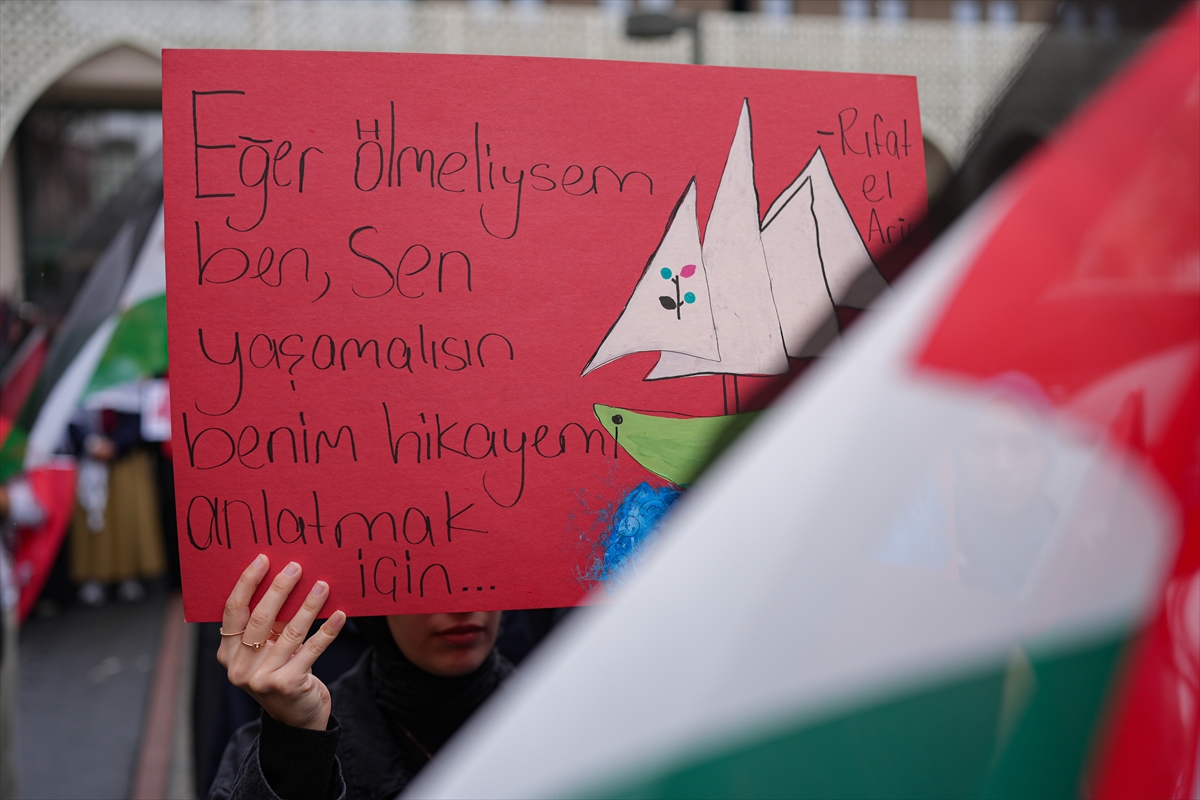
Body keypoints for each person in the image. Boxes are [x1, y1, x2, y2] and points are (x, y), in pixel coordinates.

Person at [208, 555, 511, 800]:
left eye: (481, 571)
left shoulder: (544, 723)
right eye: (426, 578)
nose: (464, 605)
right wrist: (298, 748)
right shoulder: (266, 755)